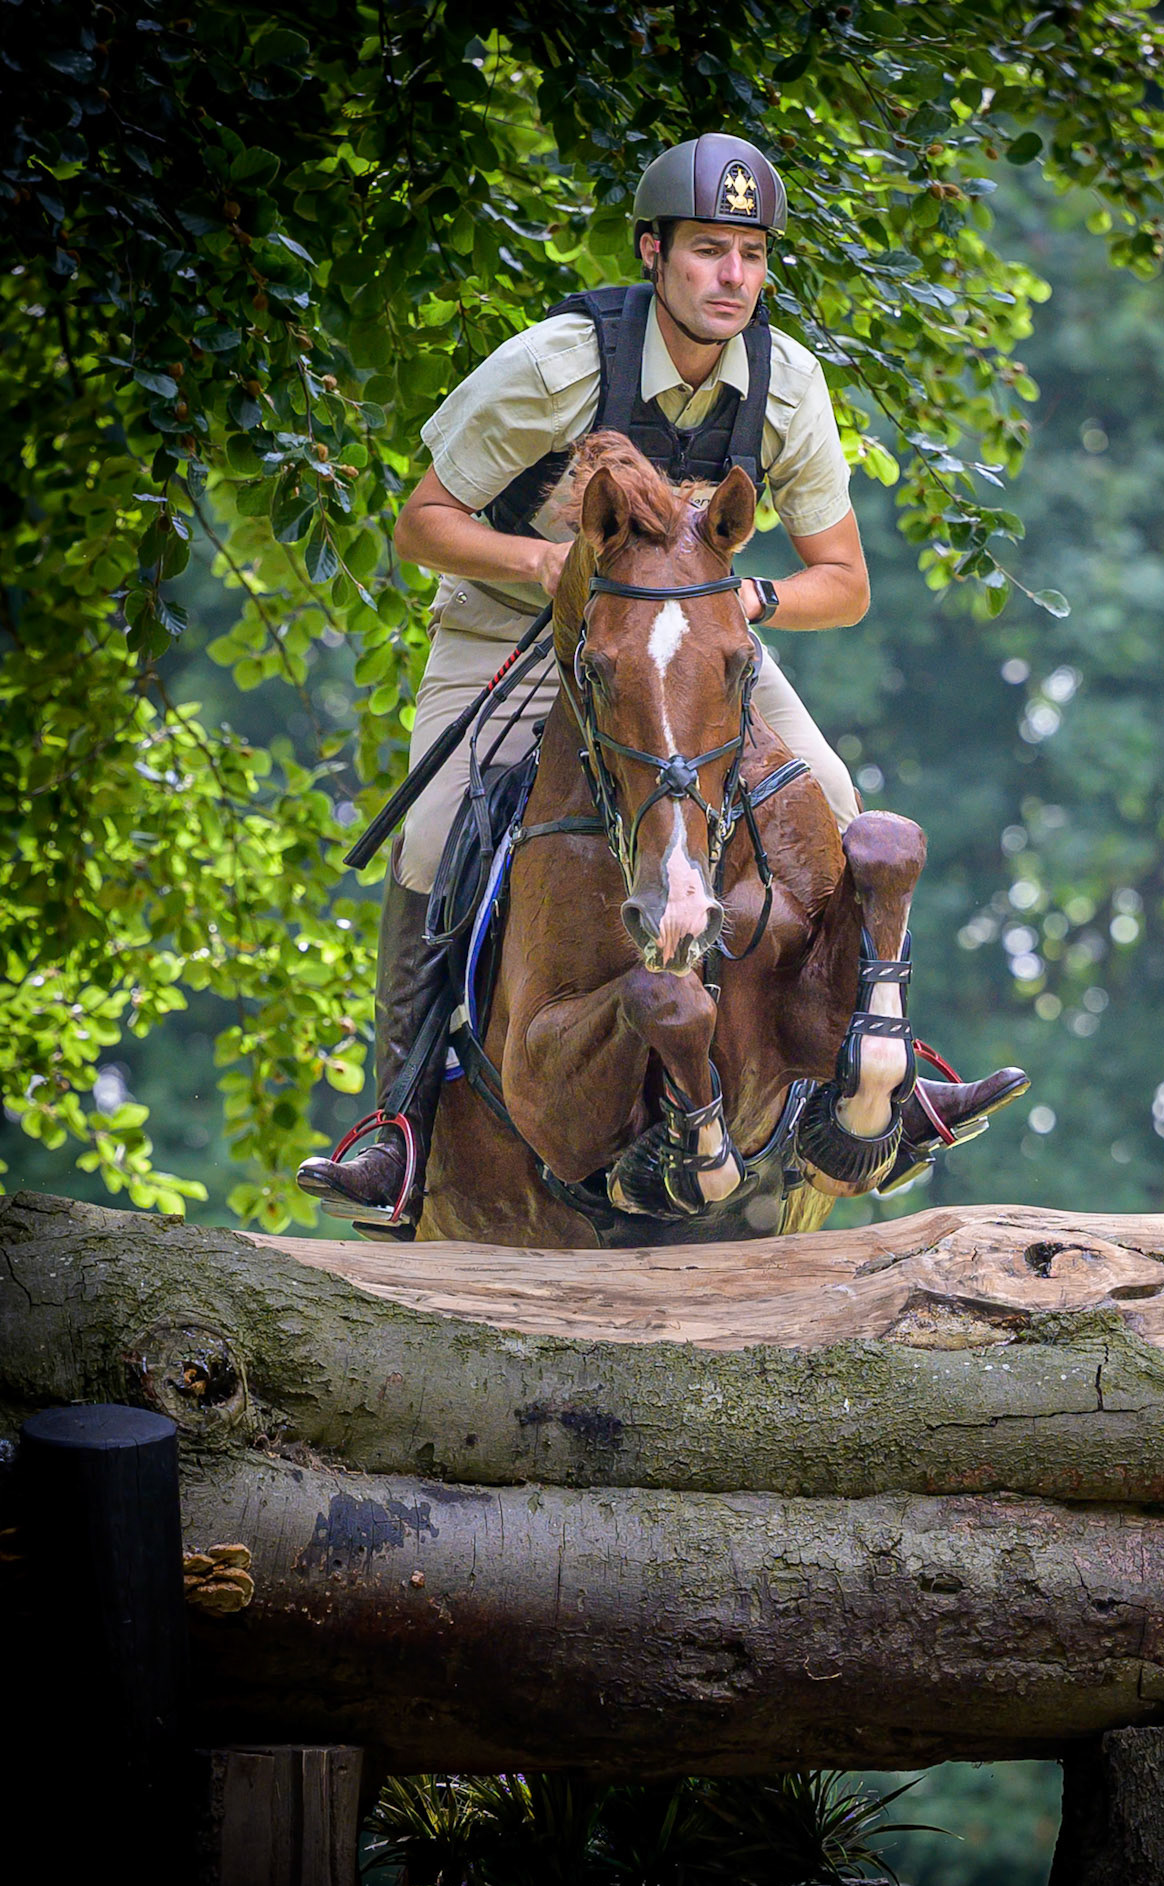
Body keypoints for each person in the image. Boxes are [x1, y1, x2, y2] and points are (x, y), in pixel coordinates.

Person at [299, 133, 1026, 1230]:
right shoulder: (557, 366)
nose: (731, 276)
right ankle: (399, 1128)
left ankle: (888, 1074)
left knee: (834, 798)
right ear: (652, 253)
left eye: (750, 255)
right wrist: (555, 567)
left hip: (691, 646)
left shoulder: (786, 386)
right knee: (436, 833)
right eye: (706, 251)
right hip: (515, 634)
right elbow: (422, 524)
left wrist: (751, 600)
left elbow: (844, 583)